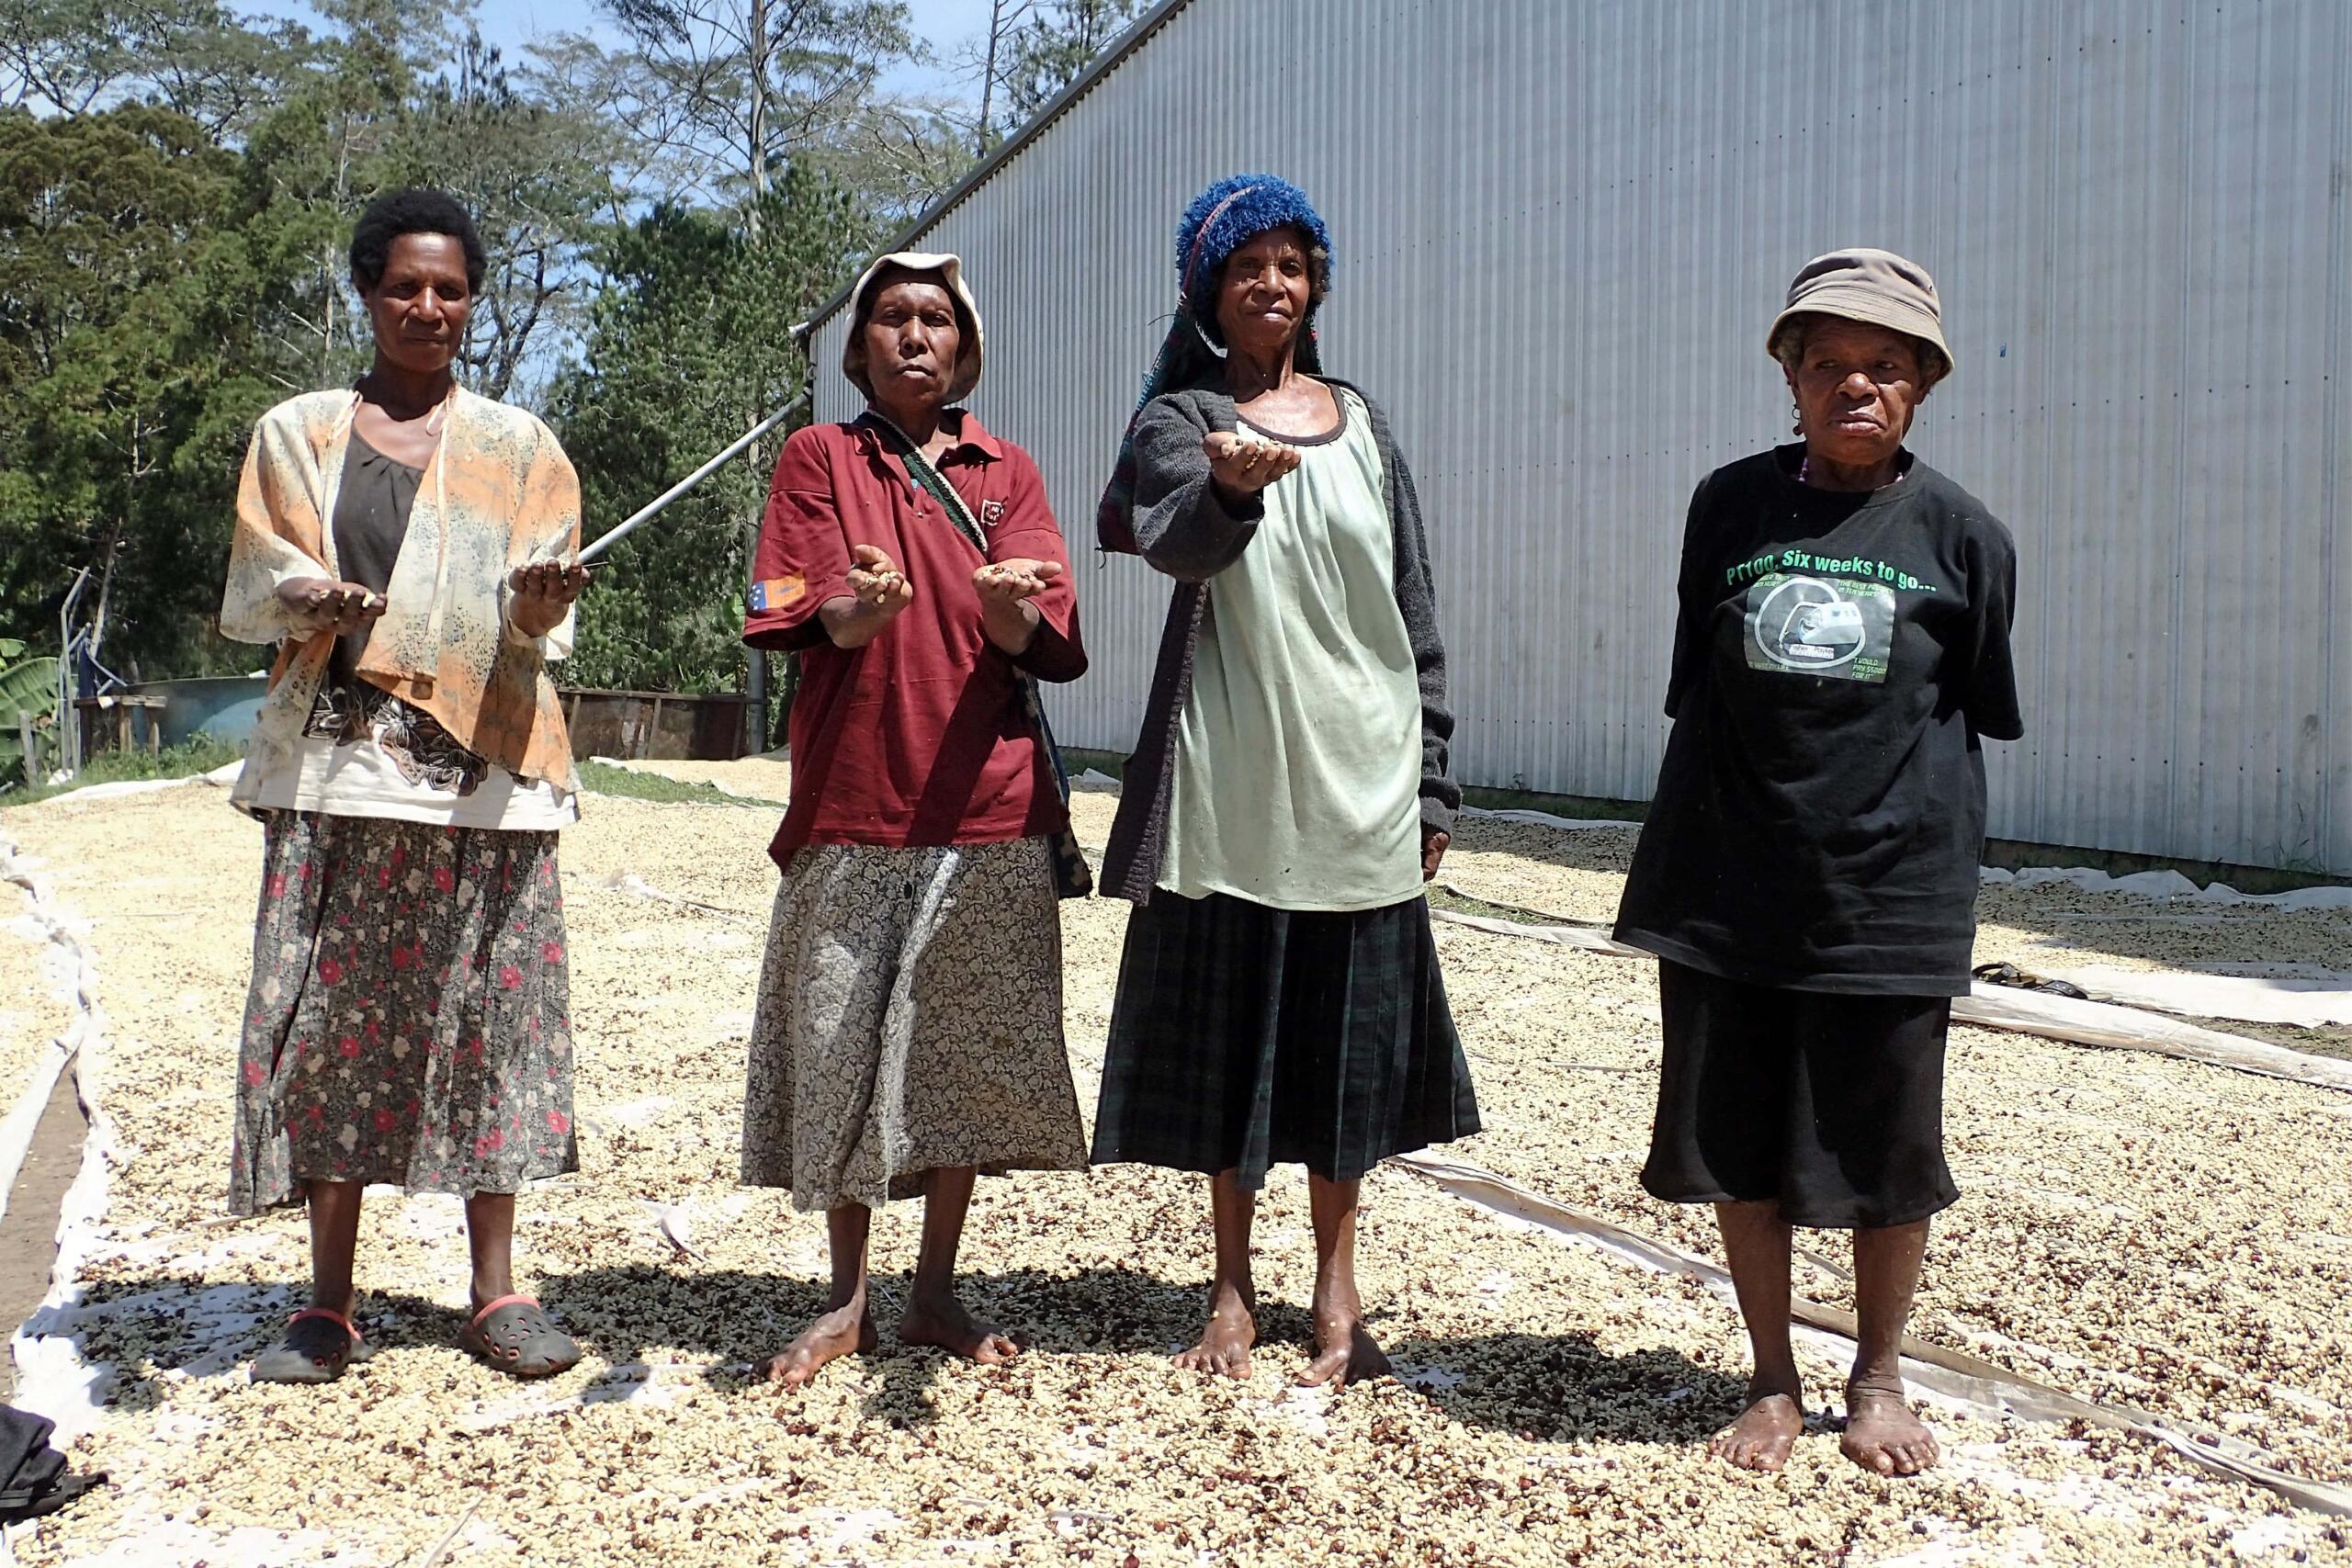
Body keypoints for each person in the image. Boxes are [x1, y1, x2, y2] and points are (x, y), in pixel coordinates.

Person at [1613, 249, 2023, 1476]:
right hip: (1729, 877)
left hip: (1890, 891)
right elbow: (1701, 681)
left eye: (1886, 366)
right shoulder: (1727, 508)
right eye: (1830, 363)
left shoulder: (1964, 535)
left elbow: (1973, 704)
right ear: (1789, 375)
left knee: (1889, 1145)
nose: (1857, 385)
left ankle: (1880, 1371)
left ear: (1925, 385)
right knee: (1737, 1132)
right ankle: (1774, 1375)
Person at [1091, 175, 1479, 1389]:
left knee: (1342, 1044)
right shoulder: (1181, 419)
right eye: (1245, 264)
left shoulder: (1362, 422)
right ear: (1208, 288)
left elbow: (1410, 605)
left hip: (1361, 773)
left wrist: (1434, 779)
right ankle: (1228, 1282)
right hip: (1235, 774)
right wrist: (1228, 489)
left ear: (1317, 286)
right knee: (1237, 1031)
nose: (1271, 283)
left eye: (1291, 264)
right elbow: (1167, 539)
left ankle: (1338, 1282)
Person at [220, 188, 592, 1383]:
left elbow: (542, 625)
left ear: (474, 301)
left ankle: (497, 1287)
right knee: (333, 1030)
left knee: (488, 1022)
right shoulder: (298, 434)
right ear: (368, 294)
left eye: (449, 288)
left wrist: (539, 610)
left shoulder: (522, 447)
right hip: (338, 769)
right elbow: (261, 574)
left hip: (485, 775)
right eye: (403, 286)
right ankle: (327, 1300)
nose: (427, 306)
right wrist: (311, 599)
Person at [740, 250, 1090, 1388]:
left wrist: (1005, 619)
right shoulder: (819, 459)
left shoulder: (1006, 471)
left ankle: (932, 1286)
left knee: (958, 1057)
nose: (912, 336)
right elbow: (792, 606)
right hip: (852, 799)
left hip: (985, 809)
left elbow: (1054, 640)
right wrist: (852, 609)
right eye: (890, 318)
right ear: (859, 347)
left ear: (964, 345)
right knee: (840, 1044)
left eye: (934, 319)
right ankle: (846, 1296)